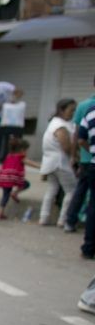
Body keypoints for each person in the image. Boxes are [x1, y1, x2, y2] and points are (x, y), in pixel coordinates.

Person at [39, 99, 77, 227]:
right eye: (71, 110)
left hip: (50, 162)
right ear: (62, 110)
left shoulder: (54, 123)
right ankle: (63, 219)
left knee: (52, 189)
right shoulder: (60, 126)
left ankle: (43, 217)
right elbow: (66, 146)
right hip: (60, 162)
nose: (72, 113)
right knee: (72, 190)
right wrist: (75, 156)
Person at [64, 75, 95, 233]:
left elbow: (76, 134)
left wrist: (73, 155)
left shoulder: (83, 105)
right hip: (89, 157)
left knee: (81, 189)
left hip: (85, 157)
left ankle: (70, 221)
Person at [0, 137, 39, 220]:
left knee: (5, 194)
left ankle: (0, 212)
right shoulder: (20, 157)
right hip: (14, 178)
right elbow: (30, 163)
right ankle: (15, 193)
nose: (26, 152)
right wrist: (40, 166)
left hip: (5, 178)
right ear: (22, 150)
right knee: (26, 184)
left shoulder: (9, 156)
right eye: (26, 150)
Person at [73, 97, 95, 258]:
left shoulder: (90, 111)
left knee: (93, 206)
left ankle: (88, 248)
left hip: (93, 164)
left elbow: (81, 139)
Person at [0, 88, 26, 164]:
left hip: (18, 126)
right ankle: (5, 158)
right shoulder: (6, 105)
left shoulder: (22, 104)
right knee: (6, 143)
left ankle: (17, 158)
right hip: (6, 125)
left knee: (18, 143)